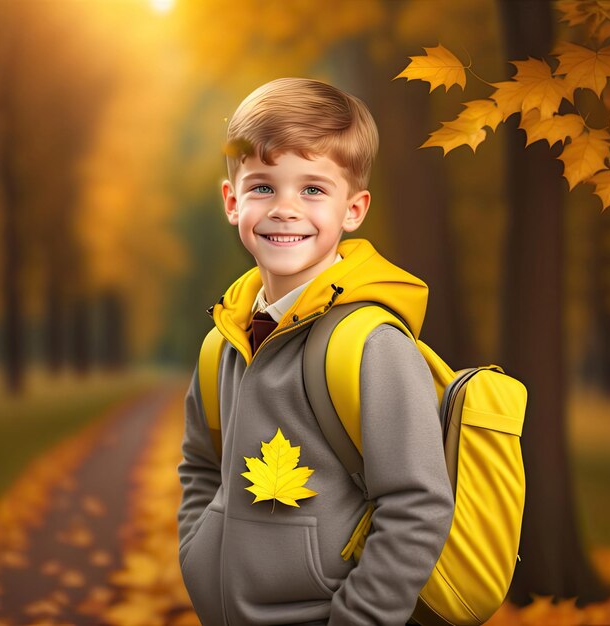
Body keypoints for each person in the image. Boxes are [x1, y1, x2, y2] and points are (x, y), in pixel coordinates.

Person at [177, 77, 454, 626]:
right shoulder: (223, 342)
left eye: (312, 189)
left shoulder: (371, 344)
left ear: (353, 209)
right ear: (232, 202)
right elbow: (200, 465)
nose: (284, 209)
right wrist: (198, 553)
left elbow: (417, 506)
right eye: (262, 187)